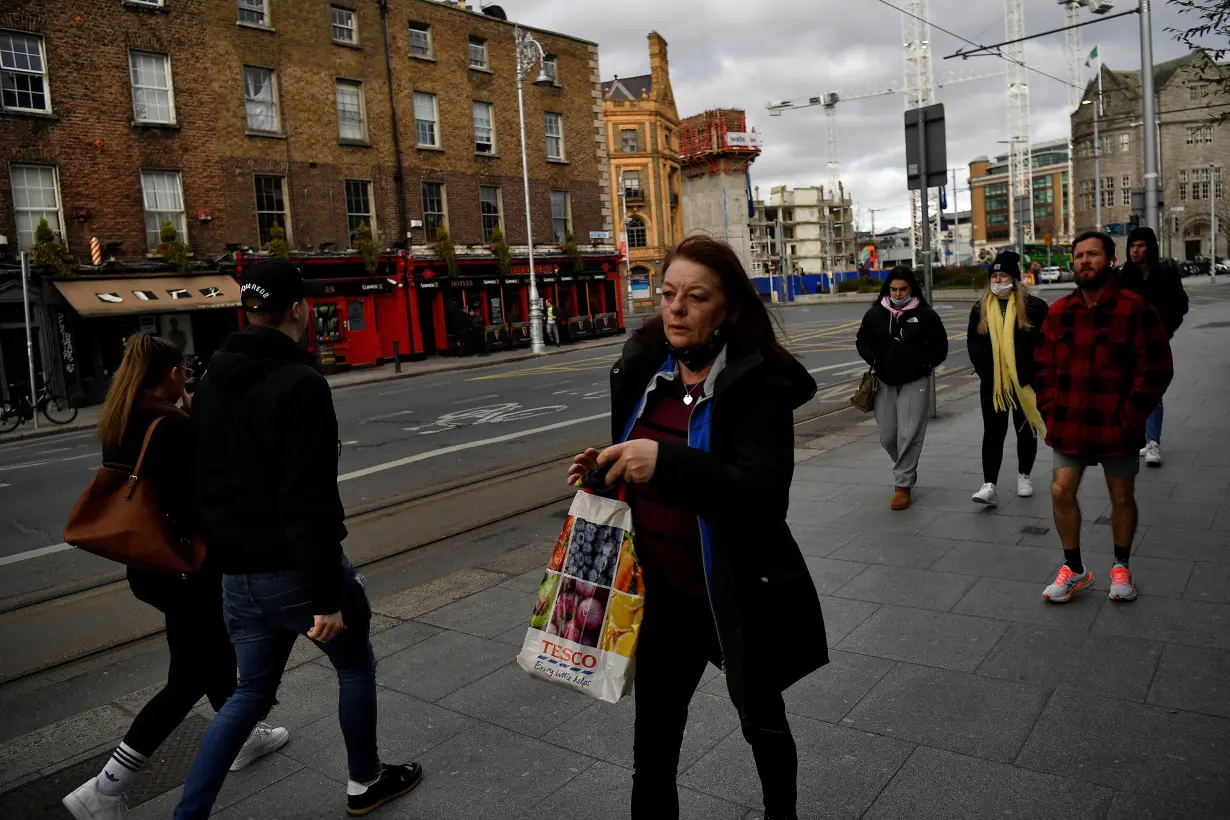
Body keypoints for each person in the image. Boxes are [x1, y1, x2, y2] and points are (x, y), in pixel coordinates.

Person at [567, 235, 826, 820]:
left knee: (762, 723)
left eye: (695, 296)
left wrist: (665, 462)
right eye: (667, 294)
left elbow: (761, 498)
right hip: (658, 597)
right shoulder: (643, 370)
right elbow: (641, 466)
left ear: (729, 308)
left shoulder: (756, 387)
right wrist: (608, 468)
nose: (676, 309)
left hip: (732, 591)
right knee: (652, 748)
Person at [173, 261, 422, 819]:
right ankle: (365, 782)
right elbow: (308, 498)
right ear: (297, 310)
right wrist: (325, 596)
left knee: (249, 694)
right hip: (293, 571)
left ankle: (187, 815)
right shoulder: (301, 383)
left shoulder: (212, 377)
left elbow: (204, 480)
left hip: (237, 576)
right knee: (354, 665)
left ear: (247, 310)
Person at [62, 333, 288, 820]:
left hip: (151, 566)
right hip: (187, 568)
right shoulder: (168, 425)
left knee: (206, 657)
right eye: (183, 370)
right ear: (171, 374)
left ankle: (245, 737)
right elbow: (197, 501)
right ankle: (105, 787)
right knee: (188, 678)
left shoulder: (120, 420)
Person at [1034, 231, 1173, 604]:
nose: (1084, 261)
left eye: (1092, 254)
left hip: (1117, 424)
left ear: (1110, 260)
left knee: (1121, 495)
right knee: (1061, 491)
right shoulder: (1059, 311)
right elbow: (1043, 368)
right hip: (1068, 422)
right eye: (1078, 255)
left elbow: (1158, 368)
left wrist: (1131, 415)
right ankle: (1074, 568)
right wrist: (1049, 408)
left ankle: (1121, 567)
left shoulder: (1136, 308)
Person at [855, 265, 949, 510]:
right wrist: (874, 359)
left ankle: (902, 486)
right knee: (888, 437)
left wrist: (925, 364)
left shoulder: (926, 314)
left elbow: (940, 346)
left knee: (910, 434)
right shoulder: (875, 314)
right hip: (884, 381)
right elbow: (862, 340)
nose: (897, 294)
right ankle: (907, 469)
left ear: (912, 288)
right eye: (893, 289)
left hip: (915, 380)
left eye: (903, 289)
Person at [966, 250, 1049, 505]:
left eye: (1003, 275)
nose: (998, 280)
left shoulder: (1034, 307)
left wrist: (1032, 373)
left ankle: (1024, 475)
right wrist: (987, 373)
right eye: (995, 275)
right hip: (994, 384)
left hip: (1024, 382)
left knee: (1025, 429)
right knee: (993, 431)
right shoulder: (980, 308)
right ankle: (989, 484)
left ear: (1014, 278)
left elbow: (1044, 344)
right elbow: (974, 345)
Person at [1115, 226, 1188, 467]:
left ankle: (1152, 441)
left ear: (1150, 247)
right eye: (1132, 246)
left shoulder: (1165, 273)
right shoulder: (1121, 275)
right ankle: (1135, 438)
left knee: (1153, 392)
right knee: (1128, 390)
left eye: (1141, 245)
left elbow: (1180, 305)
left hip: (1154, 343)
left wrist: (1165, 331)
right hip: (1125, 344)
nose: (1135, 250)